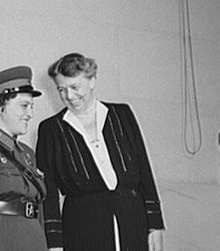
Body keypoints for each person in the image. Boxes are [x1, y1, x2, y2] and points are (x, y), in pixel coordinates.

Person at [36, 53, 165, 251]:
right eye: (61, 89)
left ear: (92, 81)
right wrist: (54, 243)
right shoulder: (51, 129)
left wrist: (155, 224)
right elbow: (49, 191)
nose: (69, 96)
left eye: (75, 87)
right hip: (81, 227)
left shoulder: (122, 115)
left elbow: (144, 171)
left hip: (132, 222)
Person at [0, 66, 48, 250]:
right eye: (24, 106)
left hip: (34, 238)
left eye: (32, 106)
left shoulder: (27, 154)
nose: (30, 114)